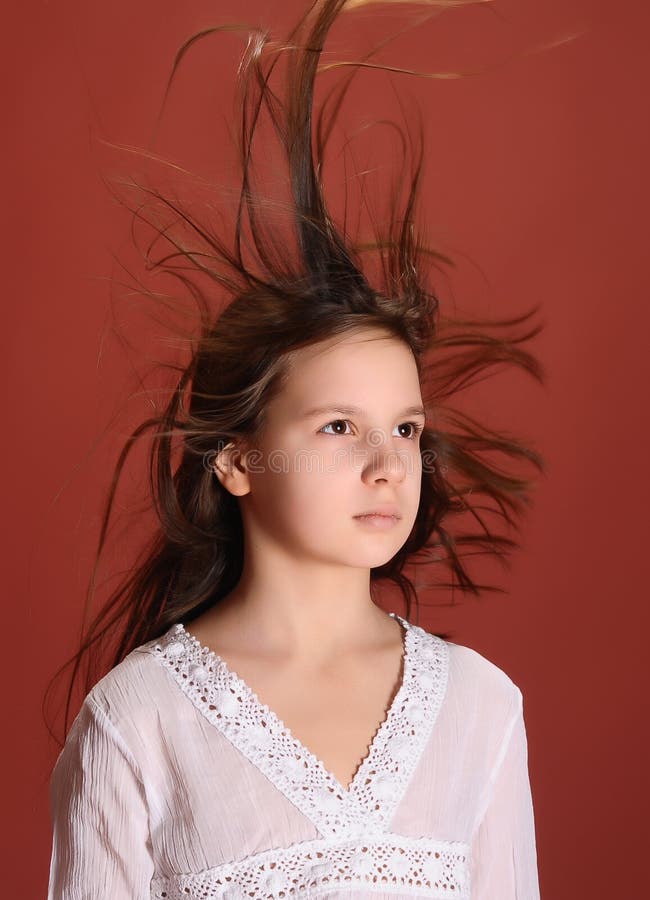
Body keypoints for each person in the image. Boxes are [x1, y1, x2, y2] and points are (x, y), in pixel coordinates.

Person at [46, 1, 545, 897]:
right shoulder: (138, 719)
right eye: (338, 427)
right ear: (234, 460)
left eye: (406, 428)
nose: (388, 463)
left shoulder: (480, 708)